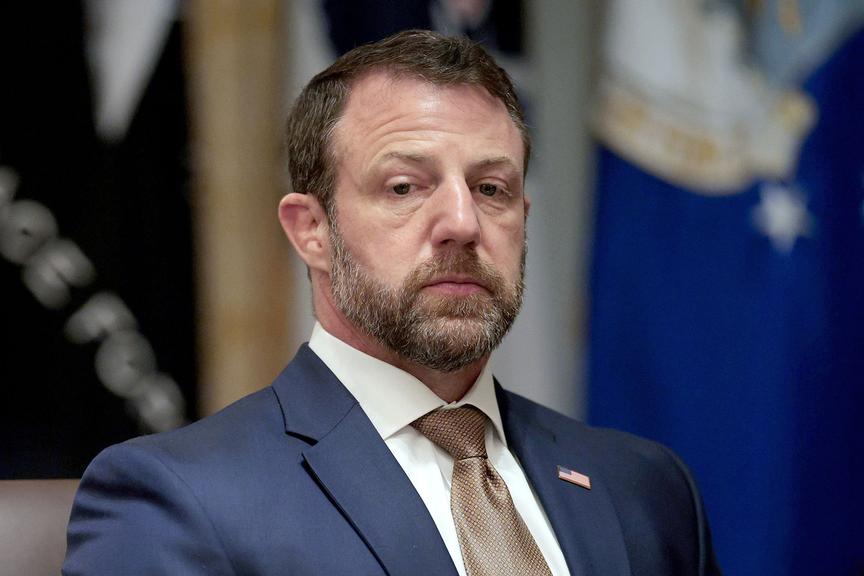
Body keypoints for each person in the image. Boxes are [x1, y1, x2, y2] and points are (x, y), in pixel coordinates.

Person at [63, 30, 721, 575]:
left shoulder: (647, 489)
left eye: (491, 189)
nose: (462, 222)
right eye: (405, 186)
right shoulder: (178, 499)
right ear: (311, 231)